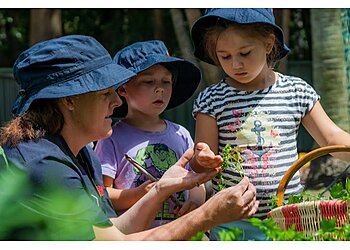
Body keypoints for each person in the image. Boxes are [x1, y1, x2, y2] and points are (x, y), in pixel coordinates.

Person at [0, 34, 259, 240]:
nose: (116, 101)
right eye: (105, 94)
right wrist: (207, 215)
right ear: (69, 100)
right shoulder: (45, 164)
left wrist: (161, 188)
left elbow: (112, 229)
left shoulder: (82, 153)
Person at [190, 8, 350, 240]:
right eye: (224, 56)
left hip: (290, 218)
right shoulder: (212, 99)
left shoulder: (296, 91)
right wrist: (202, 159)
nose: (236, 64)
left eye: (245, 53)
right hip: (231, 222)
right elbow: (201, 162)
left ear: (268, 43)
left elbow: (331, 138)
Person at [95, 40, 208, 227]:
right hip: (135, 236)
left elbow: (194, 181)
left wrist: (194, 203)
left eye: (166, 81)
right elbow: (102, 193)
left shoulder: (181, 134)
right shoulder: (110, 137)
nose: (160, 89)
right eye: (148, 81)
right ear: (123, 89)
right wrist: (139, 194)